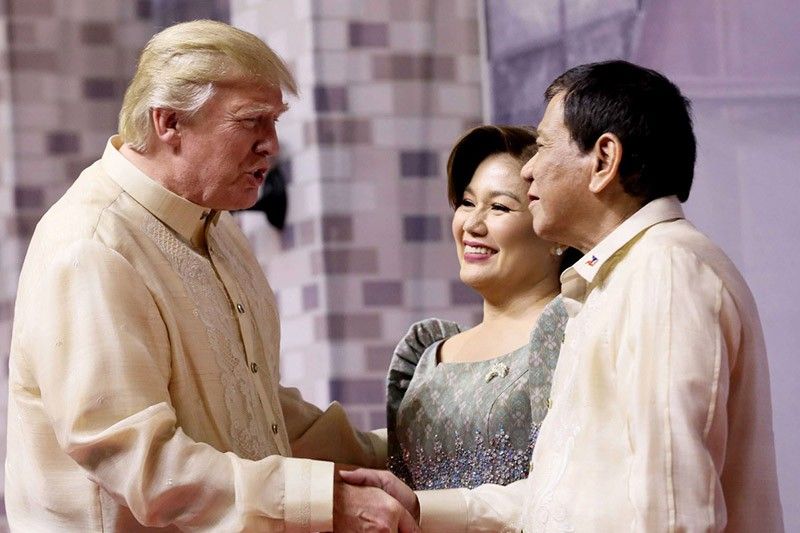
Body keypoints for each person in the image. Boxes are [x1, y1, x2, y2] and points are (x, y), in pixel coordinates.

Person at [5, 20, 418, 532]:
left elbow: (253, 412)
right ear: (169, 122)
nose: (272, 145)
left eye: (275, 122)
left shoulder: (219, 230)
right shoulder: (90, 246)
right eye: (252, 122)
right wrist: (323, 501)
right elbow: (144, 466)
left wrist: (393, 456)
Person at [342, 60, 784, 532]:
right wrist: (419, 506)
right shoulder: (614, 283)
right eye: (468, 202)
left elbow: (672, 506)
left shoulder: (665, 268)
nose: (529, 170)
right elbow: (563, 493)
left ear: (603, 160)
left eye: (545, 146)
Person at [387, 125, 577, 491]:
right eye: (467, 203)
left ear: (555, 231)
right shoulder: (426, 354)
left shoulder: (573, 334)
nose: (472, 225)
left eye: (499, 207)